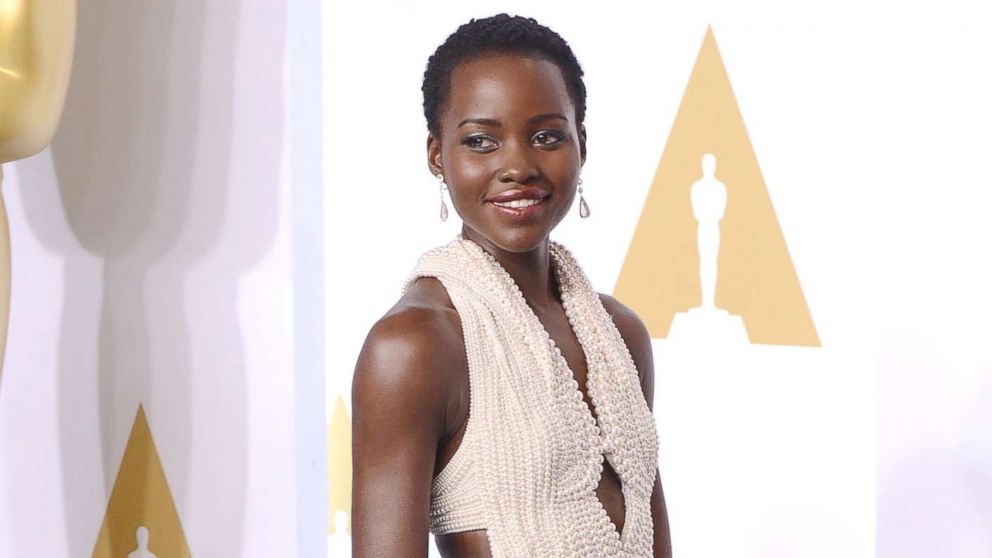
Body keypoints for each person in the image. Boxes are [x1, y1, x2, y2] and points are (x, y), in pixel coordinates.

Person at [352, 14, 671, 557]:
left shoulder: (621, 334)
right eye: (481, 141)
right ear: (437, 155)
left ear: (582, 144)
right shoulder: (416, 345)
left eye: (546, 136)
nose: (518, 166)